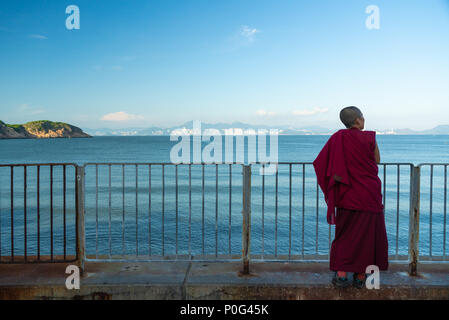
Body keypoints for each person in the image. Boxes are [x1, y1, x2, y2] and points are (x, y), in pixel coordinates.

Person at [313, 106, 388, 289]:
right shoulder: (370, 137)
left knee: (345, 234)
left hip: (347, 194)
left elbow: (320, 161)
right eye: (363, 117)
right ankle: (361, 277)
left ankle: (341, 275)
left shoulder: (338, 137)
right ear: (358, 120)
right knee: (368, 237)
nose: (364, 120)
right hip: (369, 193)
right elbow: (377, 159)